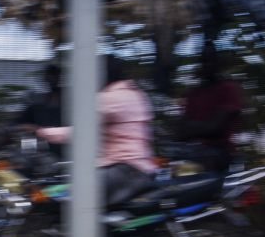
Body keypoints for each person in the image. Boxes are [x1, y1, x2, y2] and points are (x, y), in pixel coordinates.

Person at [36, 56, 156, 206]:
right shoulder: (137, 95)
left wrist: (42, 132)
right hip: (141, 170)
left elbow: (82, 131)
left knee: (65, 197)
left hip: (122, 170)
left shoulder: (109, 98)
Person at [179, 43, 244, 173]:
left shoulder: (228, 88)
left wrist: (194, 129)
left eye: (210, 61)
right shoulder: (194, 93)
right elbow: (181, 131)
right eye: (203, 61)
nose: (207, 65)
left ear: (218, 64)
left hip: (220, 153)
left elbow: (216, 128)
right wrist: (201, 128)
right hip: (193, 153)